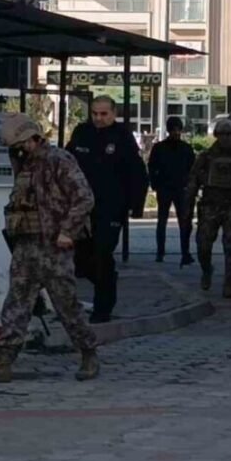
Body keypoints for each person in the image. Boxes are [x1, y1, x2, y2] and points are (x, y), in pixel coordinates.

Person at [0, 114, 100, 383]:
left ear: (31, 139)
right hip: (26, 246)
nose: (15, 151)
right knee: (16, 304)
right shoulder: (23, 163)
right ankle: (3, 361)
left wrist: (67, 231)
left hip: (54, 246)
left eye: (18, 145)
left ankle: (88, 353)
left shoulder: (59, 160)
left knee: (66, 304)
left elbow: (85, 198)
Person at [65, 96, 148, 323]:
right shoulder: (82, 133)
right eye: (95, 114)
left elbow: (137, 173)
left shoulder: (122, 137)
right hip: (81, 207)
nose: (99, 118)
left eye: (104, 114)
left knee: (102, 254)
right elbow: (65, 163)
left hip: (111, 206)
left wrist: (135, 206)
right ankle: (106, 280)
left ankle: (103, 308)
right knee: (81, 257)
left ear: (113, 114)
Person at [184, 118, 231, 298]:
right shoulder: (206, 157)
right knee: (203, 245)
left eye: (230, 135)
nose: (226, 139)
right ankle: (207, 270)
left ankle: (229, 284)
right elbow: (192, 182)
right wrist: (187, 208)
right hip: (210, 206)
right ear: (216, 136)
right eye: (222, 135)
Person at [147, 117, 196, 266]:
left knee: (184, 222)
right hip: (167, 188)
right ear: (169, 130)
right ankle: (161, 252)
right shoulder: (162, 148)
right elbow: (151, 167)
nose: (176, 132)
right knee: (164, 221)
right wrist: (155, 184)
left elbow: (192, 169)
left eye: (178, 129)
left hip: (178, 188)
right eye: (173, 129)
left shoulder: (183, 148)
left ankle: (184, 253)